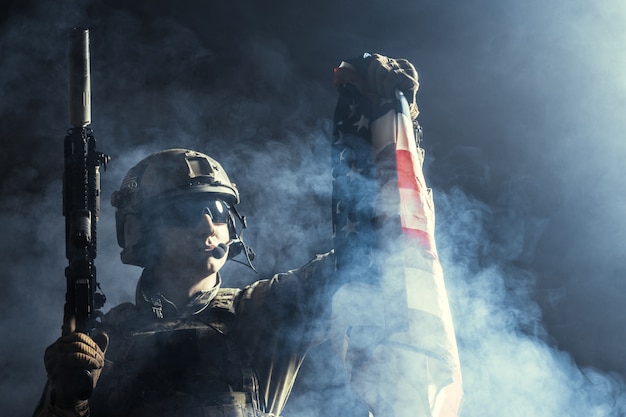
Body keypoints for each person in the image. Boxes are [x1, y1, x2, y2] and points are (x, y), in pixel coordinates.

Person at [33, 54, 461, 417]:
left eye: (218, 211)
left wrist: (389, 128)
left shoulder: (263, 311)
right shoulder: (106, 336)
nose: (208, 225)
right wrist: (65, 398)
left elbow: (367, 251)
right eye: (186, 212)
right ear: (140, 231)